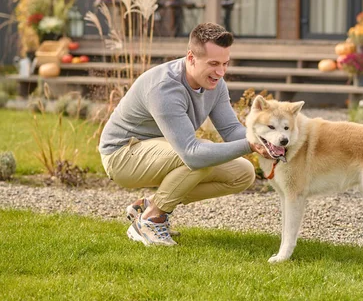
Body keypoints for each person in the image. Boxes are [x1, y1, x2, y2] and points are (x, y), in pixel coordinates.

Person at [99, 22, 271, 246]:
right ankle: (151, 220)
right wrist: (250, 145)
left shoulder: (216, 84)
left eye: (225, 64)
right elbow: (192, 153)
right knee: (201, 157)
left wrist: (264, 138)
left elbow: (231, 131)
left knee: (243, 173)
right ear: (191, 57)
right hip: (122, 155)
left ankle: (147, 206)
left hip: (161, 149)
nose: (221, 72)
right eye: (213, 64)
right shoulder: (164, 88)